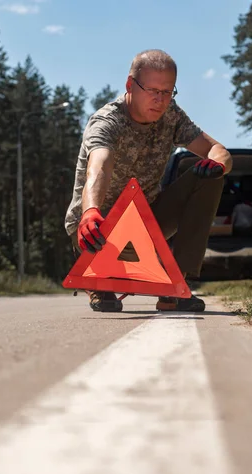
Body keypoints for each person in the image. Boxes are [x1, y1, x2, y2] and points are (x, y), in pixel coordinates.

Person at [64, 49, 233, 312]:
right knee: (105, 282)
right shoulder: (107, 121)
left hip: (145, 219)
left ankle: (177, 284)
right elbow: (99, 168)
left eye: (167, 92)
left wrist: (218, 164)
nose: (160, 100)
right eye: (152, 90)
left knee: (210, 177)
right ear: (130, 85)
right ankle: (99, 282)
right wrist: (90, 211)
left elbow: (219, 151)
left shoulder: (171, 116)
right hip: (97, 227)